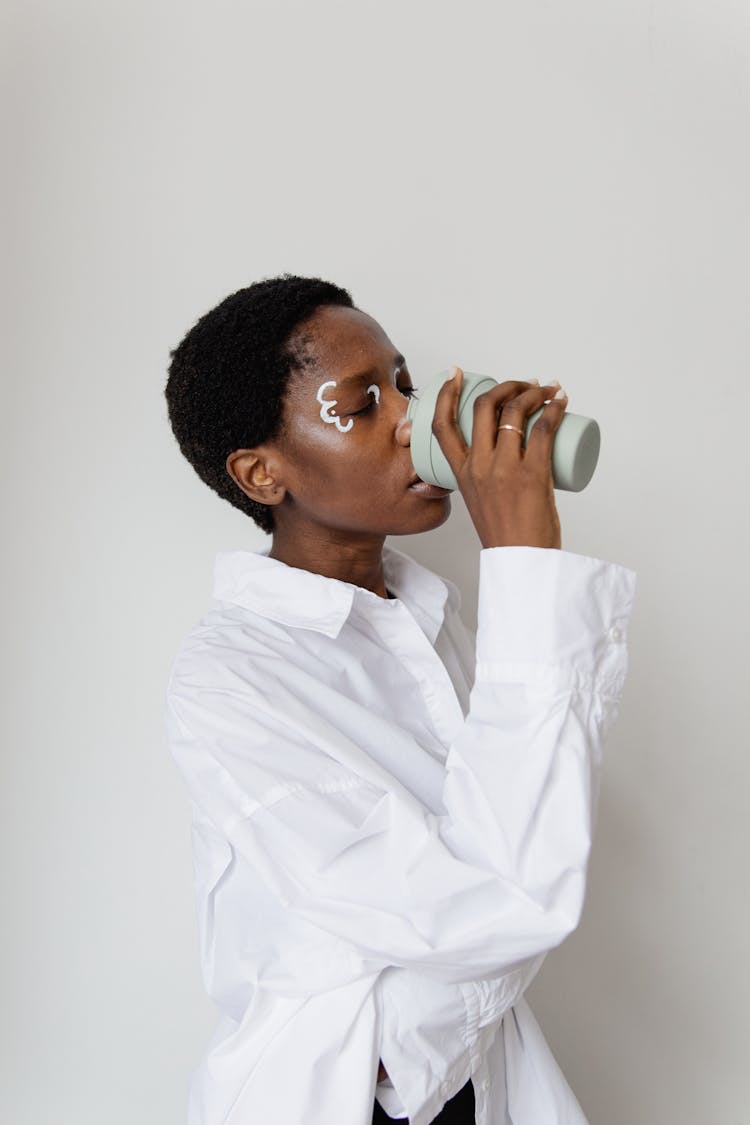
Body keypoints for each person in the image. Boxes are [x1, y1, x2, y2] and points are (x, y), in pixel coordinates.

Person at [163, 274, 636, 1125]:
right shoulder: (230, 679)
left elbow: (531, 858)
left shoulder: (435, 621)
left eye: (406, 385)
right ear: (263, 472)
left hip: (473, 1081)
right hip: (349, 1093)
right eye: (365, 402)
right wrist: (526, 560)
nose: (411, 420)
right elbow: (502, 900)